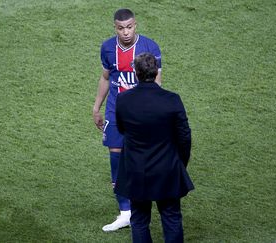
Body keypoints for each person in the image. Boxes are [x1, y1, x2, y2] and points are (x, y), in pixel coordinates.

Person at [92, 9, 162, 232]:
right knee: (116, 155)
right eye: (121, 28)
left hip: (141, 112)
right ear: (115, 28)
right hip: (116, 111)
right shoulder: (107, 48)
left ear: (136, 25)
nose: (125, 32)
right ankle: (125, 212)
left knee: (142, 158)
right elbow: (105, 78)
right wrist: (96, 107)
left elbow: (157, 83)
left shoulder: (150, 47)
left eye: (129, 27)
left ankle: (142, 207)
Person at [115, 53, 194, 243]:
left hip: (136, 169)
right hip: (167, 168)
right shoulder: (172, 100)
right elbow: (184, 137)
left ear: (136, 73)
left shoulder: (124, 100)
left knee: (140, 219)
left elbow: (121, 129)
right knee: (171, 217)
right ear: (156, 71)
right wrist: (179, 162)